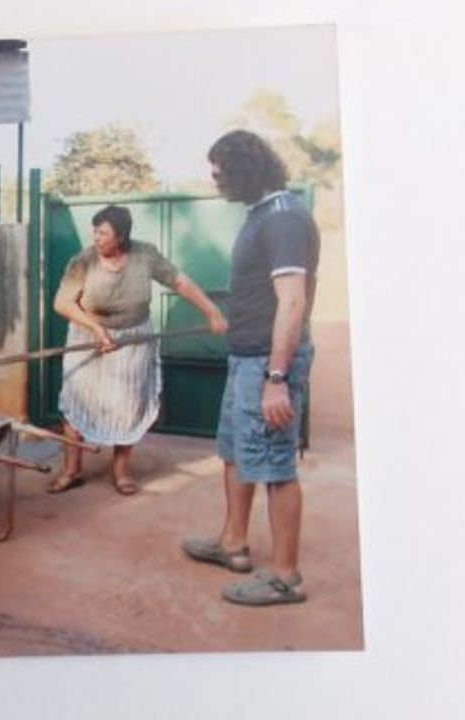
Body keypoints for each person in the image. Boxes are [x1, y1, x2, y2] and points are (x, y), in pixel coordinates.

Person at [181, 130, 320, 606]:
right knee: (235, 452)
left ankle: (284, 577)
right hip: (246, 359)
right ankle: (233, 544)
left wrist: (276, 380)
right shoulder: (260, 214)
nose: (216, 181)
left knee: (276, 466)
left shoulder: (283, 219)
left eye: (221, 173)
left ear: (247, 170)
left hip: (267, 365)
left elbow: (293, 302)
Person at [48, 205, 227, 495]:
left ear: (121, 236)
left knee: (127, 406)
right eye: (95, 231)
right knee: (75, 402)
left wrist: (211, 310)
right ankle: (71, 470)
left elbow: (179, 281)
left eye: (103, 233)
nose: (96, 237)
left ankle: (120, 472)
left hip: (133, 339)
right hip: (90, 336)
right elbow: (62, 302)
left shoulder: (144, 255)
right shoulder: (84, 261)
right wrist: (96, 329)